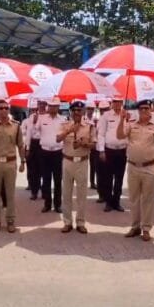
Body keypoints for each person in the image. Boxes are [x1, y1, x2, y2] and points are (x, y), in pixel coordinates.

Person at [118, 99, 154, 242]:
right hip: (133, 166)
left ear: (151, 109)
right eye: (141, 109)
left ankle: (146, 228)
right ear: (138, 110)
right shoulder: (131, 124)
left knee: (148, 200)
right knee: (133, 199)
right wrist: (121, 120)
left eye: (146, 108)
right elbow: (120, 136)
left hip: (150, 167)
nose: (144, 111)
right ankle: (135, 227)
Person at [0, 100, 25, 233]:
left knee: (10, 193)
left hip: (10, 163)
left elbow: (20, 145)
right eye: (1, 108)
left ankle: (10, 220)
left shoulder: (16, 126)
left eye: (6, 108)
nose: (3, 110)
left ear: (9, 110)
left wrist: (23, 161)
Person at [57, 100, 95, 233]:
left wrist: (85, 144)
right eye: (74, 110)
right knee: (66, 193)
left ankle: (80, 222)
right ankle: (67, 222)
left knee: (81, 195)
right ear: (71, 112)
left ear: (83, 111)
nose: (76, 112)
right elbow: (57, 139)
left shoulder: (89, 126)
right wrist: (69, 130)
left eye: (79, 110)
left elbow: (94, 144)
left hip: (82, 162)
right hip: (68, 161)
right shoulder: (64, 124)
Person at [33, 97, 65, 213]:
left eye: (55, 106)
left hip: (58, 152)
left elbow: (65, 135)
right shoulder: (41, 118)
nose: (52, 108)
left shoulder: (63, 120)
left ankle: (57, 205)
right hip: (45, 152)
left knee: (57, 180)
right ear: (48, 107)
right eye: (50, 106)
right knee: (46, 179)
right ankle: (47, 204)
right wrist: (34, 122)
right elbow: (35, 131)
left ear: (58, 107)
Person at [97, 97, 128, 212]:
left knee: (119, 178)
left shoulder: (127, 115)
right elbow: (101, 134)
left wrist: (125, 118)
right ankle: (108, 202)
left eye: (119, 101)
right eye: (115, 101)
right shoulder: (106, 116)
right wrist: (101, 150)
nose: (117, 104)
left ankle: (117, 202)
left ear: (122, 103)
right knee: (108, 177)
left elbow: (130, 133)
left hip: (122, 150)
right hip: (109, 150)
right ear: (112, 103)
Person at [24, 100, 46, 200]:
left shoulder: (48, 117)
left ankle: (45, 192)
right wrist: (27, 147)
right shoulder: (32, 117)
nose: (41, 106)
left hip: (44, 144)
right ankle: (34, 192)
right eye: (40, 104)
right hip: (34, 143)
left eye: (43, 104)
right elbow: (29, 132)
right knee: (33, 170)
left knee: (44, 170)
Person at [92, 101, 110, 200]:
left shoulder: (111, 120)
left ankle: (107, 194)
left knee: (108, 174)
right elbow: (95, 135)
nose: (104, 112)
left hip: (108, 149)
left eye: (106, 109)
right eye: (102, 110)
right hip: (98, 149)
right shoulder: (97, 121)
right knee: (99, 173)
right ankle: (101, 194)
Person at [85, 102, 99, 190]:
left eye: (92, 109)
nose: (90, 110)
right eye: (89, 108)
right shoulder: (83, 119)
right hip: (84, 143)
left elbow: (98, 132)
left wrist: (96, 125)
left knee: (94, 164)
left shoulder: (96, 119)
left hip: (93, 144)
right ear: (86, 109)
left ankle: (93, 182)